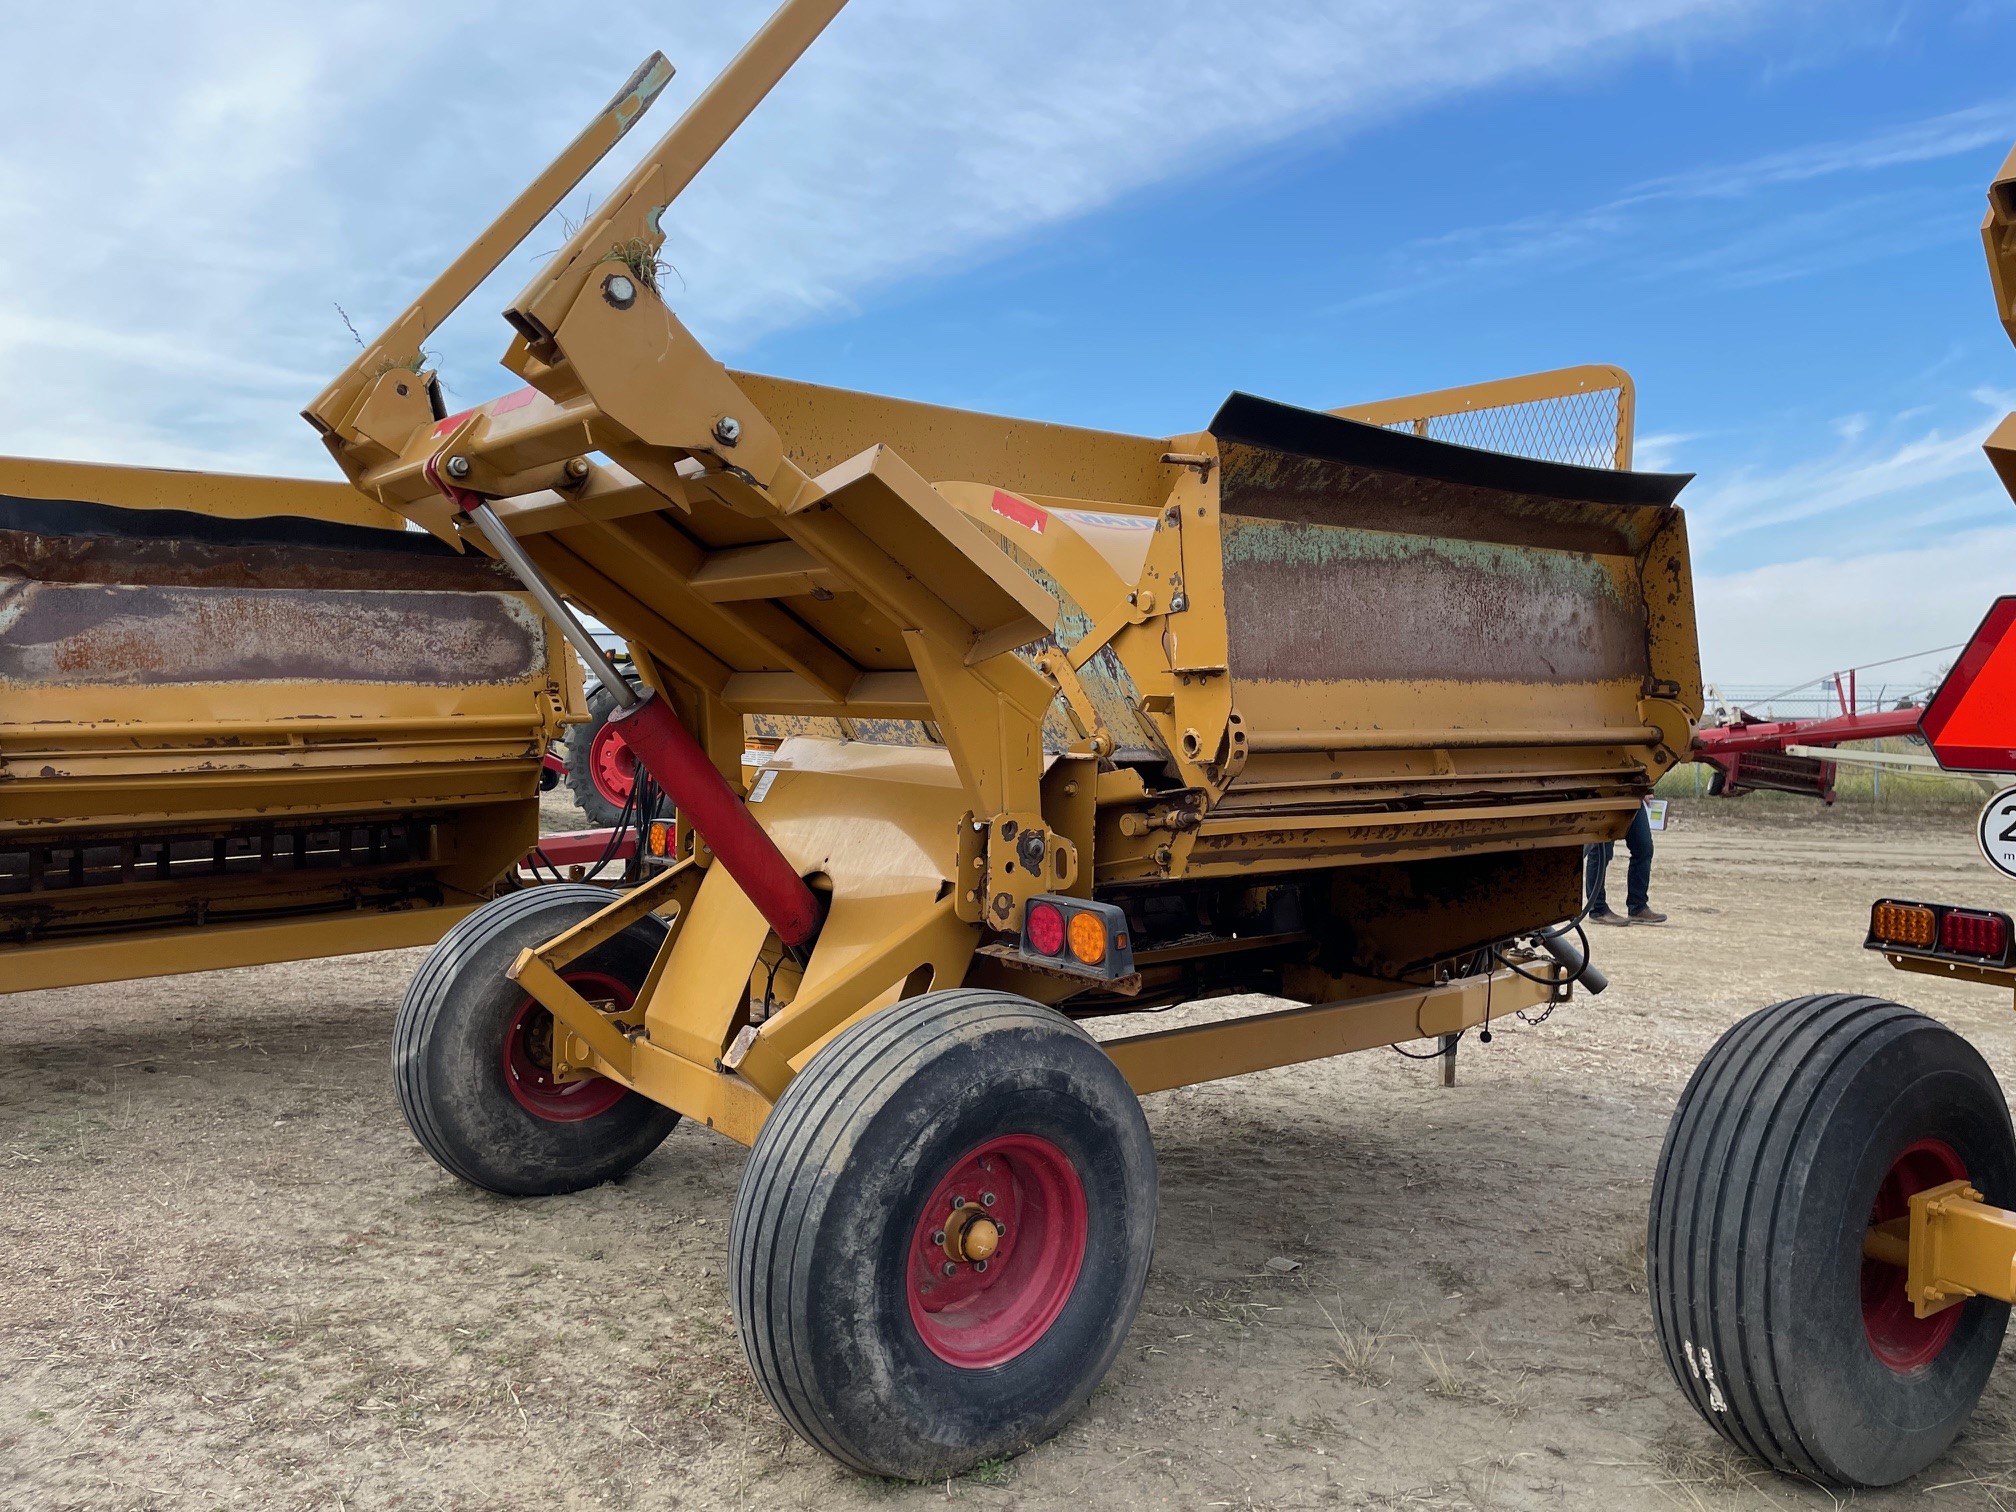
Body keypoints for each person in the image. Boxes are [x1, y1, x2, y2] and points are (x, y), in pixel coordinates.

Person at [1586, 800, 1665, 925]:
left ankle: (1637, 907)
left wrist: (1647, 789)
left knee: (1643, 847)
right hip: (1603, 797)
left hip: (1633, 795)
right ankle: (1598, 909)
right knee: (1601, 851)